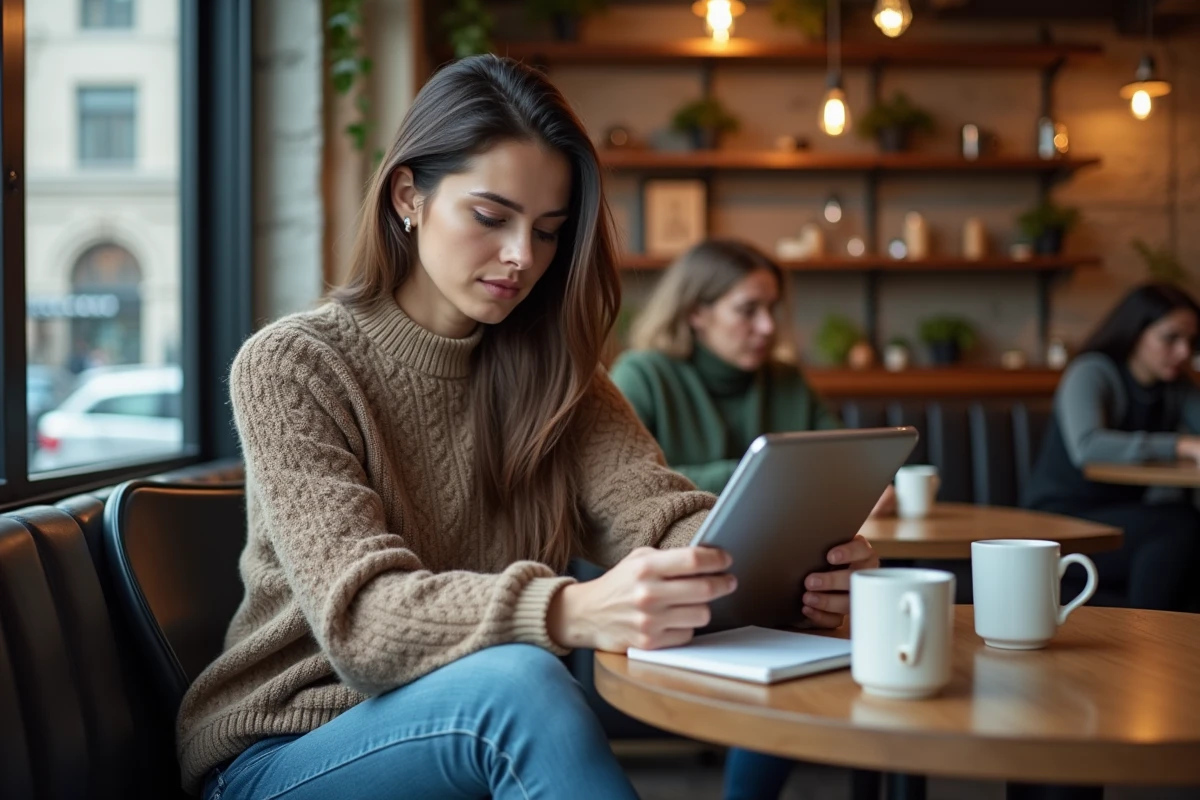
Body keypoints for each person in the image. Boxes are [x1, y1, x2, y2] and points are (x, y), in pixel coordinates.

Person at [176, 55, 880, 800]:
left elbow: (658, 517)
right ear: (408, 195)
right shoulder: (294, 365)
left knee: (515, 686)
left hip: (465, 730)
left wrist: (787, 564)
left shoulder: (560, 374)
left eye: (548, 232)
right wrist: (571, 607)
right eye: (490, 217)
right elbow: (362, 624)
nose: (522, 257)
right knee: (516, 684)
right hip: (287, 751)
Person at [610, 238, 893, 800]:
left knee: (836, 617)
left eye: (772, 310)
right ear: (697, 312)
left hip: (772, 574)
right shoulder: (643, 375)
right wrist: (749, 474)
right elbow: (623, 488)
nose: (767, 326)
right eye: (748, 309)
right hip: (670, 575)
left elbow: (834, 459)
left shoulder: (784, 381)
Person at [1023, 282, 1200, 611]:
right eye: (1170, 338)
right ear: (1136, 332)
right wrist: (1180, 446)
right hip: (1058, 519)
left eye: (1191, 342)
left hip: (1115, 517)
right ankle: (1151, 639)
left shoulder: (1176, 385)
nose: (1183, 352)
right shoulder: (1092, 372)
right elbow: (1088, 447)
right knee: (1179, 527)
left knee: (1184, 527)